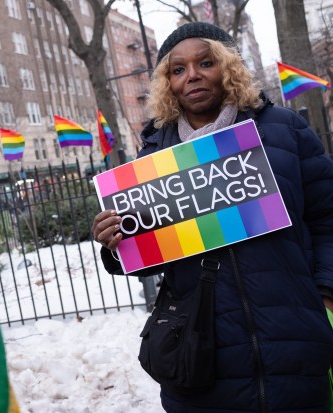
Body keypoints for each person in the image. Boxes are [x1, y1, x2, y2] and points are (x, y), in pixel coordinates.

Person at [92, 22, 333, 413]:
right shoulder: (152, 159)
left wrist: (323, 295)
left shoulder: (283, 130)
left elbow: (327, 217)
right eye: (178, 69)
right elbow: (145, 260)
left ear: (228, 67)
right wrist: (115, 242)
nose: (193, 75)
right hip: (201, 359)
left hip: (295, 349)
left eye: (206, 62)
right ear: (167, 83)